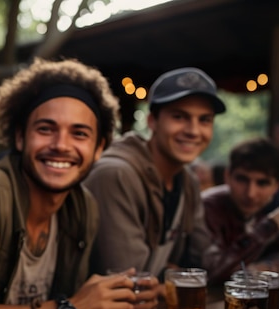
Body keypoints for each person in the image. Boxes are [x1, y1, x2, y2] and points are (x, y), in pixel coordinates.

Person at [0, 58, 160, 309]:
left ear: (99, 147)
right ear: (20, 137)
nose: (61, 145)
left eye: (79, 133)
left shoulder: (83, 207)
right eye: (46, 129)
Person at [84, 67, 225, 280]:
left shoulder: (188, 181)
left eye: (204, 120)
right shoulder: (116, 175)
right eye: (179, 117)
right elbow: (129, 277)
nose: (193, 131)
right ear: (152, 121)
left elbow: (203, 261)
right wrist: (175, 275)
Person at [202, 137, 279, 284]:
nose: (250, 193)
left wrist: (265, 267)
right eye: (242, 179)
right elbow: (214, 272)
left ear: (277, 185)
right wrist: (268, 227)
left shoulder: (270, 207)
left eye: (262, 183)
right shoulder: (209, 206)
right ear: (227, 176)